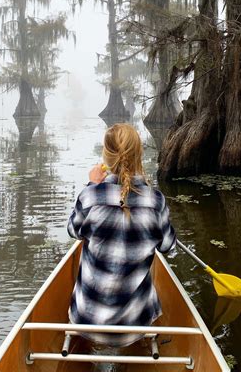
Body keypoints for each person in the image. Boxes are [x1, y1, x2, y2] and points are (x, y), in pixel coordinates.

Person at [67, 123, 176, 347]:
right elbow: (167, 246)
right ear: (138, 156)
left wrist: (91, 185)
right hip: (135, 325)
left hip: (86, 321)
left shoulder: (89, 196)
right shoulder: (156, 201)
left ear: (106, 157)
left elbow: (74, 231)